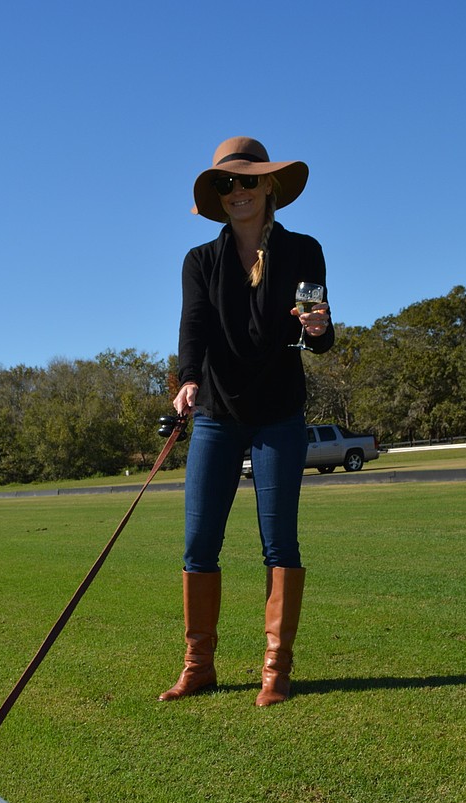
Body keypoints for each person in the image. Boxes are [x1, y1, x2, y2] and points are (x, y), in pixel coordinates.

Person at [159, 136, 334, 707]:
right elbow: (194, 328)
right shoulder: (201, 261)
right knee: (198, 544)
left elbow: (318, 330)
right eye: (225, 184)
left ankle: (276, 672)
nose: (237, 191)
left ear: (269, 186)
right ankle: (198, 666)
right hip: (215, 412)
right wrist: (187, 379)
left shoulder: (304, 250)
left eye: (248, 181)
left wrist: (316, 328)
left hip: (279, 410)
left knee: (279, 542)